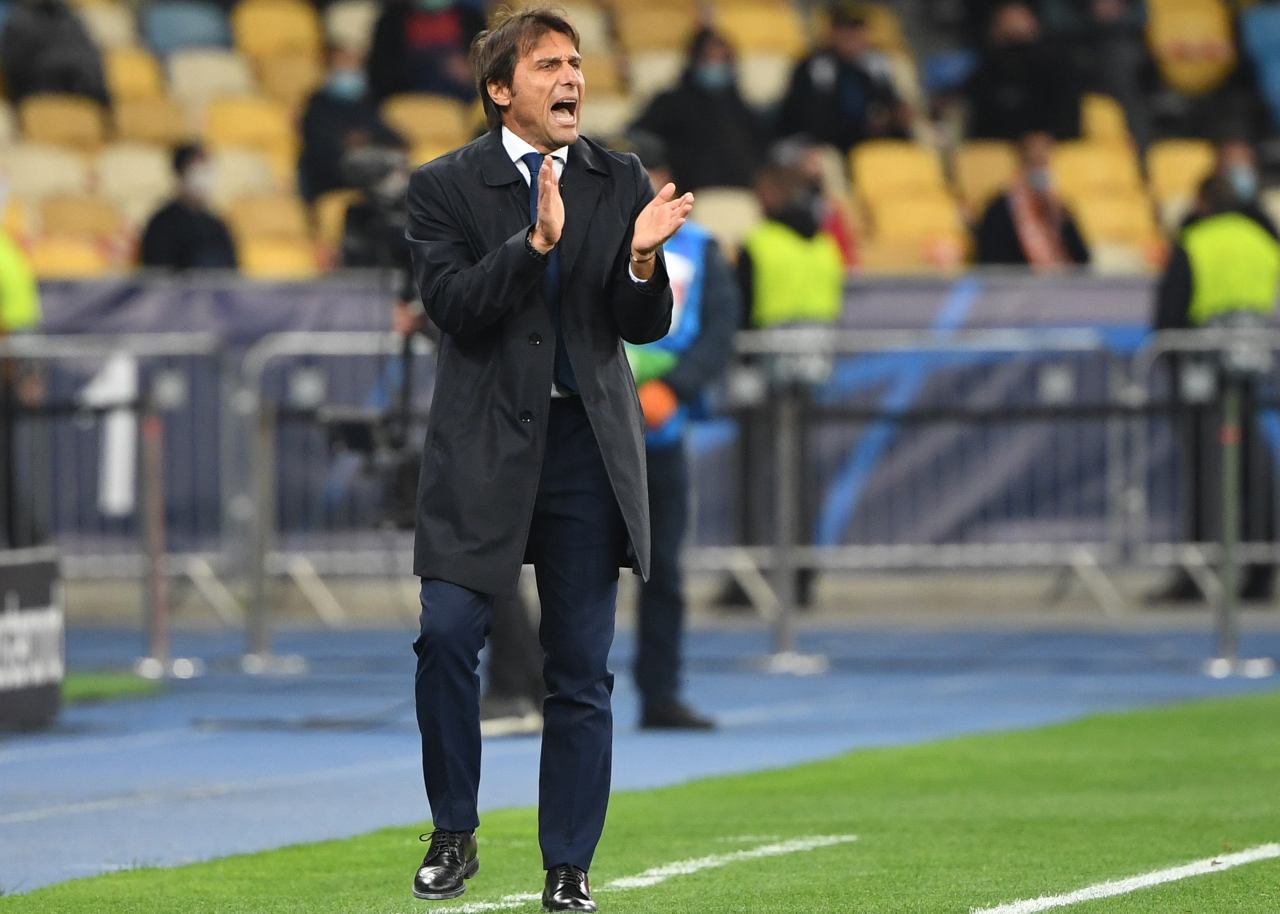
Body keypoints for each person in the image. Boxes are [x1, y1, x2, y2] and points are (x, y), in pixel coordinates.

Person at [403, 8, 692, 912]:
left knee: (581, 669)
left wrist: (641, 262)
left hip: (584, 451)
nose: (571, 79)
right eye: (547, 66)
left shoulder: (619, 176)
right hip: (482, 448)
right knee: (447, 636)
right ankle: (454, 830)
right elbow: (455, 307)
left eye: (575, 63)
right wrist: (532, 245)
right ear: (500, 90)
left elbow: (640, 325)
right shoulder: (444, 185)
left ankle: (568, 865)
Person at [616, 131, 740, 729]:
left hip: (660, 431)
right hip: (587, 423)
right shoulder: (584, 236)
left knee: (661, 568)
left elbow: (719, 331)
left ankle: (660, 692)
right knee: (569, 566)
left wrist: (675, 388)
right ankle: (551, 691)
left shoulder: (701, 247)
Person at [717, 156, 844, 610]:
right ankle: (803, 578)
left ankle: (748, 583)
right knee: (800, 481)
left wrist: (742, 369)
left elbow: (743, 311)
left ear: (770, 194)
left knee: (754, 483)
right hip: (809, 374)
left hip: (763, 376)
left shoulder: (760, 244)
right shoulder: (825, 246)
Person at [1148, 174, 1279, 604]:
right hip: (1249, 369)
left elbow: (1168, 316)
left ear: (1203, 202)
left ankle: (1198, 574)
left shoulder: (1196, 242)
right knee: (1253, 470)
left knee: (1206, 474)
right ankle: (1261, 572)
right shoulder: (1263, 242)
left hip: (1200, 375)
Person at [628, 27, 766, 192]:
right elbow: (639, 137)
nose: (716, 66)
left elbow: (758, 151)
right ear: (694, 60)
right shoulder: (670, 102)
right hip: (684, 190)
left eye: (722, 60)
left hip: (740, 191)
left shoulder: (739, 107)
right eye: (709, 59)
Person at [775, 2, 909, 156]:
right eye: (845, 31)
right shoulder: (813, 66)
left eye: (858, 29)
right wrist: (860, 126)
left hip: (865, 140)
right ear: (832, 33)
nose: (853, 37)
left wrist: (895, 116)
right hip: (818, 141)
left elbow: (888, 103)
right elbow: (805, 118)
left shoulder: (876, 65)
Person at [300, 44, 404, 203]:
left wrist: (368, 140)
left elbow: (394, 138)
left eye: (354, 62)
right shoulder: (317, 104)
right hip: (331, 182)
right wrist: (350, 144)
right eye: (344, 62)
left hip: (372, 177)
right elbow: (321, 150)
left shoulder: (364, 102)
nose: (350, 68)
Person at [964, 2, 1083, 141]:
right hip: (995, 148)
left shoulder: (1058, 71)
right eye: (1001, 25)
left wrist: (1046, 136)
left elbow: (1070, 124)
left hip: (1053, 147)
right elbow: (978, 128)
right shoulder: (983, 75)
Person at [975, 131, 1090, 270]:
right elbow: (991, 262)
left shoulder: (1060, 208)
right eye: (1034, 161)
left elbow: (1082, 260)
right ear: (1021, 161)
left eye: (1044, 161)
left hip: (1060, 281)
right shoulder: (999, 208)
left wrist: (1061, 224)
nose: (1040, 169)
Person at [139, 145, 238, 271]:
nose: (205, 177)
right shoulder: (162, 224)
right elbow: (157, 272)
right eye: (198, 170)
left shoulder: (217, 225)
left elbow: (232, 270)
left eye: (208, 170)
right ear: (181, 173)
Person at [368, 0, 486, 102]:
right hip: (407, 102)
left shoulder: (472, 20)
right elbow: (380, 77)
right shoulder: (390, 22)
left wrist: (470, 72)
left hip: (462, 103)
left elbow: (488, 71)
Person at [0, 0, 108, 106]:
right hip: (38, 96)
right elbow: (15, 69)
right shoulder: (18, 20)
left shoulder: (71, 19)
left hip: (80, 94)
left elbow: (90, 63)